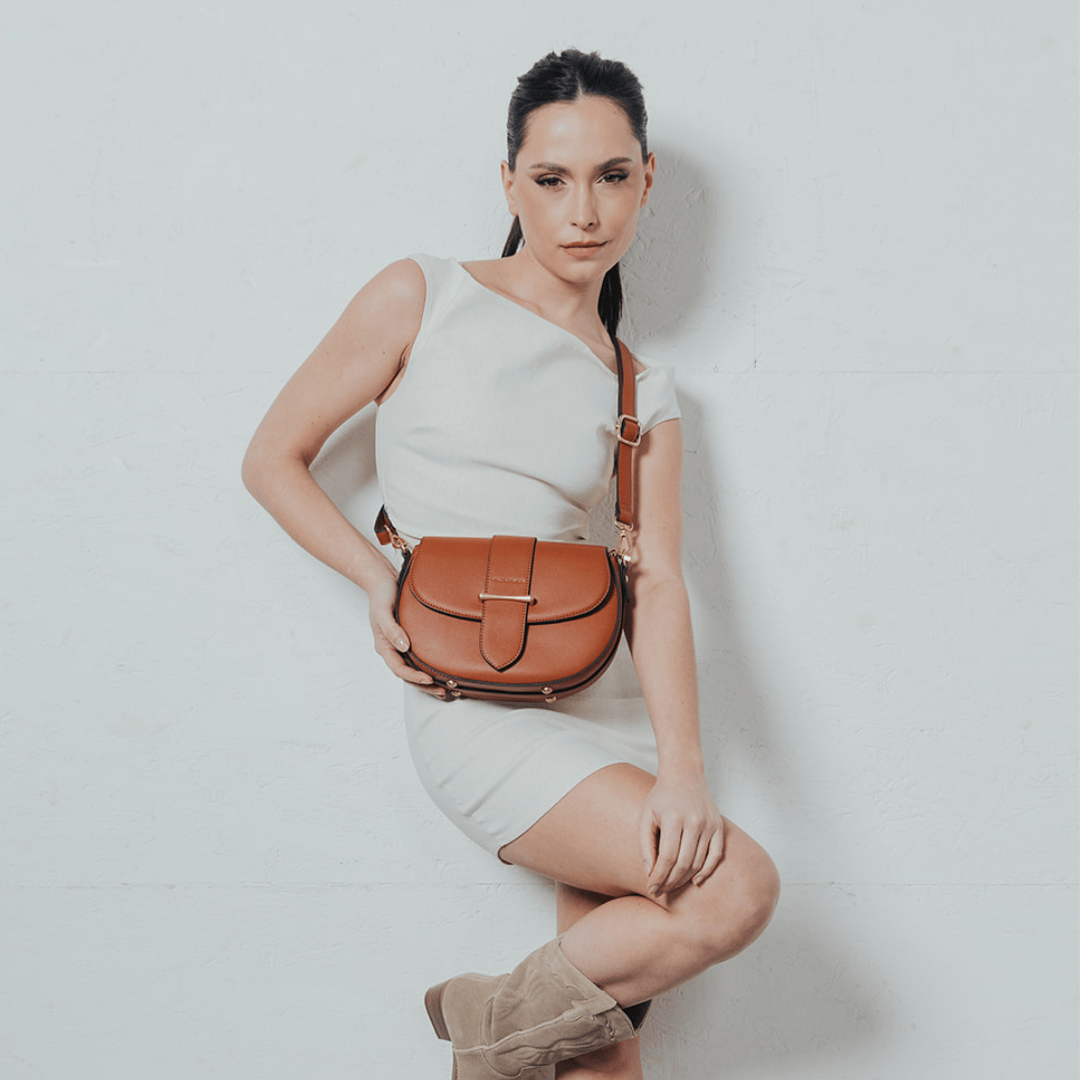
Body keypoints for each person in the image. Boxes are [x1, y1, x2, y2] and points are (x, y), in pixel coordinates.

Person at [242, 47, 781, 1080]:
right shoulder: (423, 296)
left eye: (612, 176)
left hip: (603, 701)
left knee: (596, 1063)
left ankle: (500, 1022)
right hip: (473, 703)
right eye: (552, 178)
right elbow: (273, 458)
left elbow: (658, 582)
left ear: (646, 179)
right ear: (509, 183)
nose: (584, 211)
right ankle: (493, 1022)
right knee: (734, 890)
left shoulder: (641, 389)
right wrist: (373, 579)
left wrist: (682, 770)